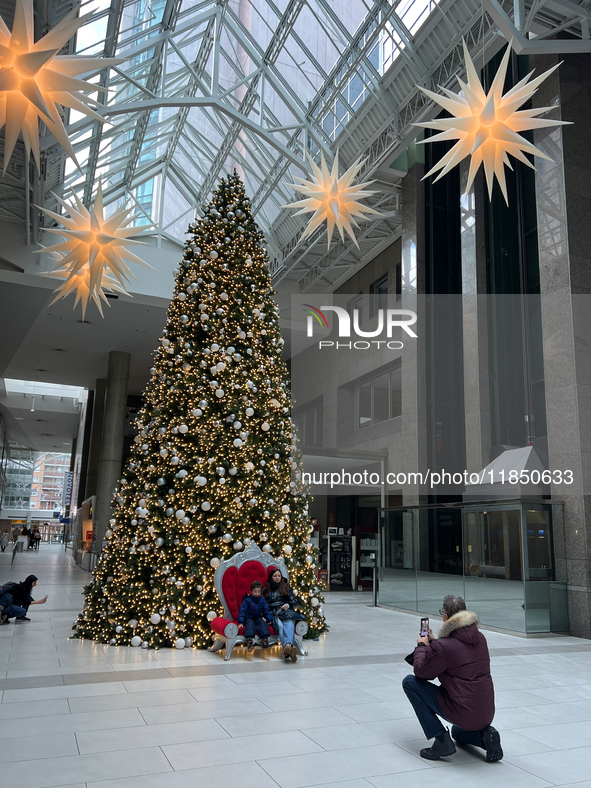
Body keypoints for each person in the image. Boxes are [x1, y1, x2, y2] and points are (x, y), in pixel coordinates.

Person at [402, 594, 503, 763]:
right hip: (485, 713)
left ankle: (441, 740)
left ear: (446, 616)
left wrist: (421, 646)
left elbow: (422, 672)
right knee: (458, 733)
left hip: (462, 710)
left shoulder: (444, 646)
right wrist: (435, 643)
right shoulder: (480, 638)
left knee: (410, 683)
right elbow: (456, 654)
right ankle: (484, 737)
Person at [263, 568, 305, 662]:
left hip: (286, 611)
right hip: (273, 613)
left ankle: (287, 647)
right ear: (271, 577)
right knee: (281, 627)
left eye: (279, 576)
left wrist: (288, 605)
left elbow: (294, 602)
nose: (277, 578)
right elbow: (261, 604)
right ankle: (289, 648)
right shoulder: (266, 590)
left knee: (289, 622)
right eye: (275, 576)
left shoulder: (285, 588)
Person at [237, 581, 273, 651]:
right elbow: (242, 611)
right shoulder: (247, 600)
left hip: (258, 616)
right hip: (249, 617)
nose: (257, 594)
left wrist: (269, 619)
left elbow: (266, 610)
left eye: (259, 592)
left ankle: (265, 640)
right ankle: (249, 641)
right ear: (251, 591)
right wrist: (241, 622)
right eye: (255, 591)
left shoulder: (262, 599)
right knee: (250, 625)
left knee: (263, 624)